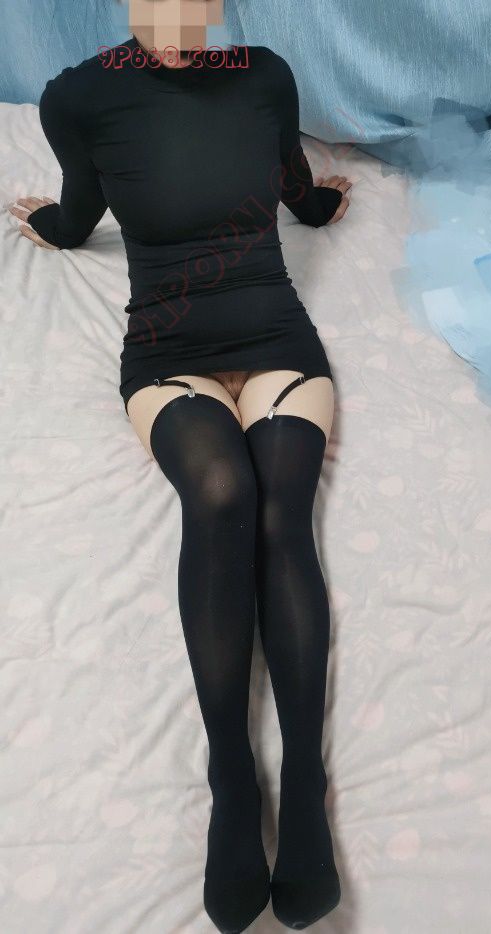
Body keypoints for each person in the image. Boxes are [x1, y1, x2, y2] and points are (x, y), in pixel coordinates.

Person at [9, 0, 351, 930]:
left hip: (276, 334)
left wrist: (321, 204)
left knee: (283, 510)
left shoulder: (265, 74)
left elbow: (291, 184)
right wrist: (54, 227)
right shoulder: (79, 96)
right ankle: (232, 779)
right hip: (168, 350)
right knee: (222, 492)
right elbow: (82, 206)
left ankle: (307, 785)